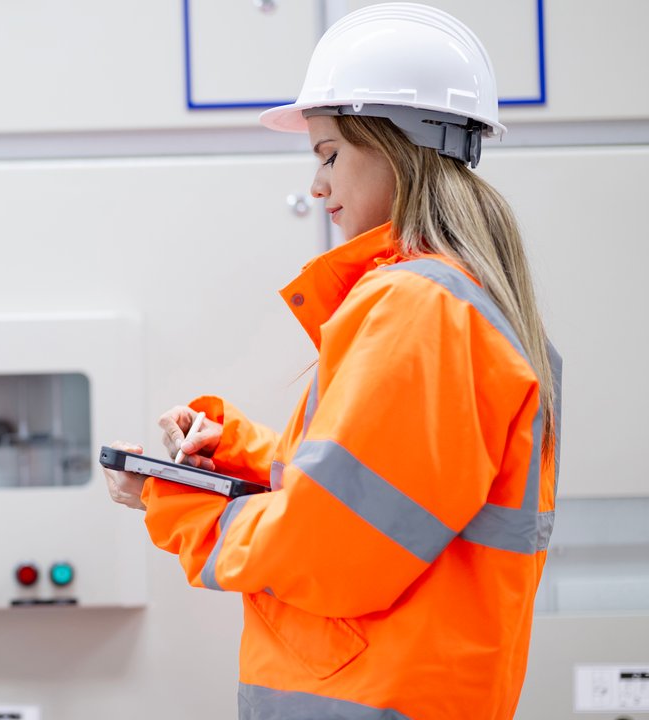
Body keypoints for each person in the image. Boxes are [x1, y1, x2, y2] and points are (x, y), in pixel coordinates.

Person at [103, 4, 561, 719]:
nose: (317, 188)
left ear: (399, 146)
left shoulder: (422, 312)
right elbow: (365, 496)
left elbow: (334, 548)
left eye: (328, 154)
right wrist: (232, 454)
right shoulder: (447, 307)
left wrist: (175, 503)